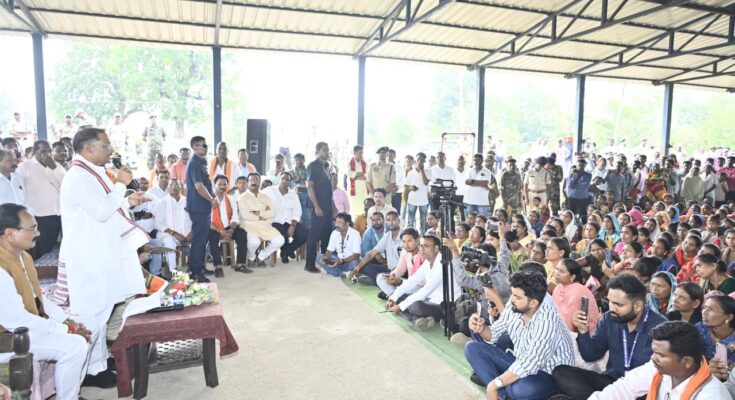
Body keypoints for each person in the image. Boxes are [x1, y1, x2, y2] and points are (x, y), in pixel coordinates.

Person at [57, 128, 150, 388]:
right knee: (91, 315)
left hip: (102, 253)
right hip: (89, 257)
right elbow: (100, 211)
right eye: (106, 145)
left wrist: (128, 201)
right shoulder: (78, 177)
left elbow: (109, 206)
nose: (111, 150)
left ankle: (97, 364)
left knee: (101, 313)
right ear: (89, 148)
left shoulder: (92, 173)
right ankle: (88, 372)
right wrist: (120, 184)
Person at [0, 204, 113, 399]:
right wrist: (66, 330)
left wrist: (67, 321)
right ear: (10, 234)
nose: (38, 233)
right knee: (74, 346)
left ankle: (73, 390)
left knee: (91, 324)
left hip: (27, 327)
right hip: (9, 337)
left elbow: (38, 298)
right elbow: (16, 321)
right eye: (32, 228)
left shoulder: (23, 256)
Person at [552, 274, 668, 399]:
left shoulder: (661, 327)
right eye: (610, 302)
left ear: (638, 306)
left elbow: (662, 375)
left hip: (642, 391)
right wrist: (583, 331)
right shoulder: (609, 318)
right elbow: (591, 355)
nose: (612, 308)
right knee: (561, 372)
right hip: (613, 382)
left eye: (618, 304)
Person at [465, 270, 574, 399]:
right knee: (472, 348)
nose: (511, 299)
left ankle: (505, 387)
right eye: (512, 293)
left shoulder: (547, 321)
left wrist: (493, 385)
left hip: (548, 374)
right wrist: (481, 328)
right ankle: (503, 395)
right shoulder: (516, 306)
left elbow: (531, 362)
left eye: (517, 297)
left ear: (533, 303)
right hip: (520, 361)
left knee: (521, 390)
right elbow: (493, 334)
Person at [589, 321, 730, 399]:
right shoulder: (657, 369)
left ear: (687, 361)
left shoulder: (711, 396)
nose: (653, 357)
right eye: (654, 352)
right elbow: (623, 388)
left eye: (661, 355)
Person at [386, 235, 461, 331]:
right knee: (398, 297)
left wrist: (400, 307)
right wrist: (393, 298)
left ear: (436, 248)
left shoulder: (443, 263)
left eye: (426, 246)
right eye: (421, 246)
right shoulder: (428, 261)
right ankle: (419, 320)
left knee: (415, 306)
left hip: (445, 305)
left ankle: (417, 318)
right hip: (430, 299)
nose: (422, 249)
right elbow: (412, 281)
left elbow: (426, 290)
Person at [16, 140, 65, 258]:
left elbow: (65, 184)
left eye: (49, 151)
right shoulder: (24, 167)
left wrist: (53, 168)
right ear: (34, 151)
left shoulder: (56, 165)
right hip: (37, 215)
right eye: (43, 151)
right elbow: (19, 190)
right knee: (39, 248)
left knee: (52, 247)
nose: (47, 154)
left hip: (57, 212)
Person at [185, 135, 217, 283]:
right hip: (198, 207)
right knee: (198, 240)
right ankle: (195, 272)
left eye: (206, 145)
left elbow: (206, 184)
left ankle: (200, 267)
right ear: (195, 147)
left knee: (203, 239)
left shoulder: (201, 162)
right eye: (203, 145)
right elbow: (199, 186)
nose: (206, 148)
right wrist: (211, 199)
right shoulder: (194, 163)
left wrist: (212, 196)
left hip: (203, 207)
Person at [238, 173, 285, 267]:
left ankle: (261, 257)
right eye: (251, 180)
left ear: (260, 182)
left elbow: (272, 212)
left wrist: (256, 213)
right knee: (254, 242)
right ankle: (251, 257)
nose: (253, 182)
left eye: (256, 180)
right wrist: (263, 215)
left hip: (264, 225)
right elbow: (244, 215)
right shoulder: (242, 197)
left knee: (280, 240)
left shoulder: (265, 197)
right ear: (247, 183)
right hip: (248, 225)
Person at [207, 175, 250, 274]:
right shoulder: (209, 200)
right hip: (214, 228)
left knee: (242, 233)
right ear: (214, 185)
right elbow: (207, 221)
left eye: (224, 184)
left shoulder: (231, 199)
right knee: (213, 237)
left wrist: (232, 229)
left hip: (229, 227)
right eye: (220, 184)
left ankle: (240, 264)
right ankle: (218, 266)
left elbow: (235, 216)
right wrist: (220, 231)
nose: (222, 186)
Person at [263, 172, 306, 264]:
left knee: (304, 234)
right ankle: (287, 252)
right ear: (279, 179)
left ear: (290, 182)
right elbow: (257, 196)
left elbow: (297, 211)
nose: (284, 181)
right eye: (282, 178)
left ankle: (287, 251)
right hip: (275, 222)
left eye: (287, 180)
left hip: (290, 222)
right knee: (282, 235)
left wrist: (293, 226)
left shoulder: (293, 195)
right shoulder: (269, 190)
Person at [304, 142, 333, 274]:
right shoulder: (313, 166)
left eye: (328, 150)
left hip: (327, 206)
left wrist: (333, 205)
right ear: (317, 152)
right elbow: (310, 187)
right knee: (314, 235)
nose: (327, 152)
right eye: (324, 150)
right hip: (318, 206)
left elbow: (329, 188)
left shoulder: (327, 166)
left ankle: (324, 262)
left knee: (327, 234)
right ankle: (309, 264)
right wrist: (316, 206)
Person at [350, 211, 402, 285]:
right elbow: (370, 254)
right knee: (363, 266)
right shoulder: (387, 236)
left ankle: (379, 280)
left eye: (393, 219)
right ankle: (380, 279)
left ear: (398, 221)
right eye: (388, 220)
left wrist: (395, 270)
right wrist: (357, 268)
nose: (391, 222)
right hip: (387, 268)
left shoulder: (405, 235)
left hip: (401, 270)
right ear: (386, 222)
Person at [316, 212, 360, 277]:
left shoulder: (355, 234)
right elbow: (330, 250)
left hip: (349, 262)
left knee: (355, 263)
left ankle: (333, 271)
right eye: (336, 222)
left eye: (339, 222)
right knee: (317, 256)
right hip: (337, 260)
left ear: (347, 224)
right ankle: (343, 273)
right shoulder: (334, 233)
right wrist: (326, 257)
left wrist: (341, 261)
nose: (336, 225)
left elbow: (356, 255)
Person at [405, 152, 431, 232]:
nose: (420, 161)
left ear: (424, 161)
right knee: (411, 221)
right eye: (418, 159)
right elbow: (406, 186)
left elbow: (426, 182)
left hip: (423, 200)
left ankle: (422, 235)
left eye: (422, 160)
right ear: (415, 160)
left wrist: (422, 170)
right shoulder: (410, 172)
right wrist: (411, 188)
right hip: (412, 200)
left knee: (423, 221)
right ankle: (410, 234)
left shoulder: (428, 171)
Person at [346, 145, 369, 219]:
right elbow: (350, 174)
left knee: (363, 209)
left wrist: (356, 176)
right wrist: (361, 174)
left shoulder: (365, 164)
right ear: (354, 153)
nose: (361, 155)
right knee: (354, 211)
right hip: (354, 191)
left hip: (363, 191)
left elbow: (367, 176)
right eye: (359, 153)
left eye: (362, 153)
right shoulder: (349, 163)